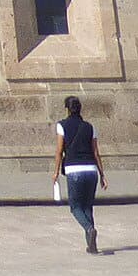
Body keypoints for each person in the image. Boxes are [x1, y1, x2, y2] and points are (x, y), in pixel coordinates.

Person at [53, 95, 106, 255]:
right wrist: (102, 175)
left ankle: (89, 229)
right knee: (88, 207)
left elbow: (59, 151)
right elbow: (96, 153)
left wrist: (55, 172)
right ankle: (92, 245)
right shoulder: (90, 127)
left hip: (74, 169)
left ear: (67, 109)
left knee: (75, 207)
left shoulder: (62, 126)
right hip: (91, 170)